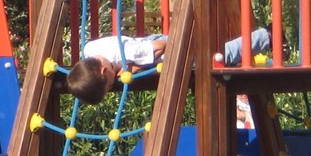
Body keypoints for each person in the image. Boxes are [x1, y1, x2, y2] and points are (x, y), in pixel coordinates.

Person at [66, 28, 271, 104]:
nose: (113, 86)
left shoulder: (125, 52)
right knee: (227, 59)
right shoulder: (89, 50)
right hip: (150, 51)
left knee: (215, 58)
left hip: (166, 49)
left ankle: (265, 37)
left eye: (109, 85)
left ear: (104, 71)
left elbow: (161, 47)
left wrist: (130, 67)